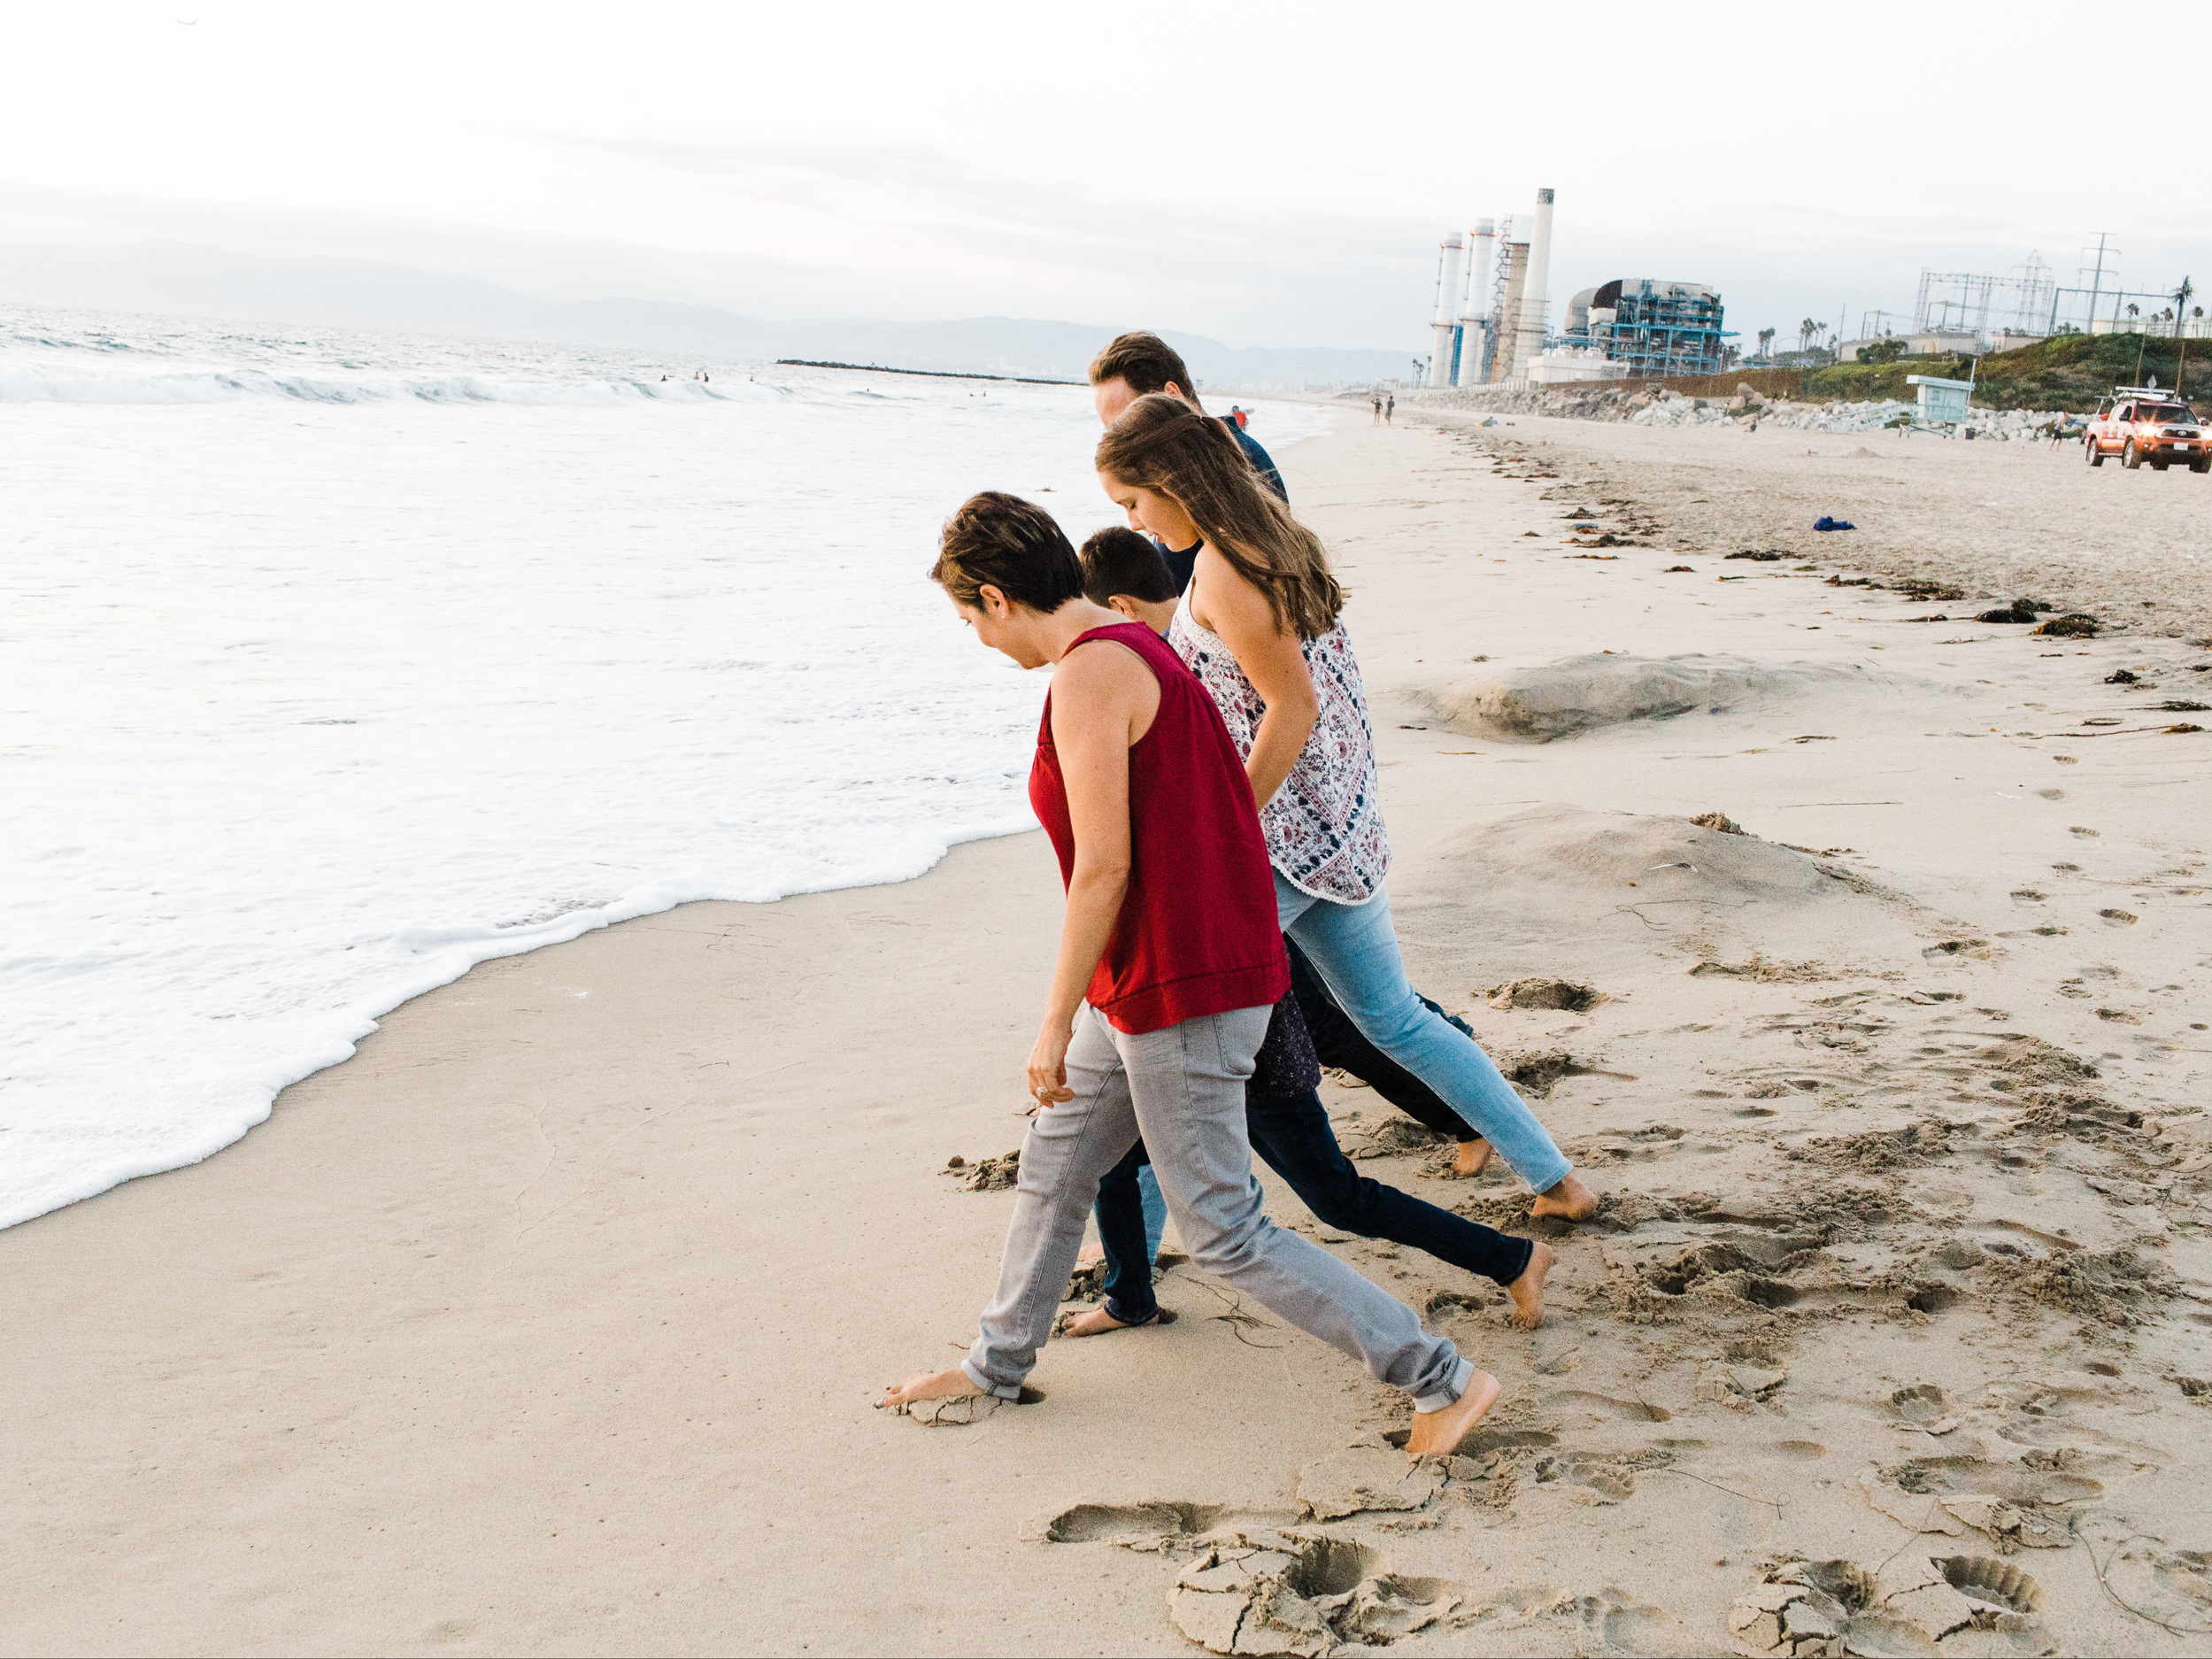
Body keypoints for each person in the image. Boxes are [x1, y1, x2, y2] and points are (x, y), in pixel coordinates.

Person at [881, 494, 1502, 1456]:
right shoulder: (1133, 641)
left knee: (1224, 1230)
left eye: (969, 619)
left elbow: (1105, 863)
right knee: (1055, 1165)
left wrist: (1049, 1020)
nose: (977, 639)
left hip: (1186, 983)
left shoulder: (1090, 676)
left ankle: (1441, 1375)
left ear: (998, 598)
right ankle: (995, 1364)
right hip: (1146, 974)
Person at [1095, 395, 1600, 1225]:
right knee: (1395, 1022)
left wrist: (1224, 827)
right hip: (1336, 826)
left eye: (1134, 503)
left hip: (1278, 842)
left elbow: (1292, 708)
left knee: (1174, 1028)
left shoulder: (1225, 568)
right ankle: (1556, 1180)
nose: (1137, 524)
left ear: (1174, 483)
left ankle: (1139, 1258)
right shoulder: (1272, 538)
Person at [1066, 529, 1550, 1339]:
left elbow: (1133, 862)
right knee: (1119, 1154)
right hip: (1177, 993)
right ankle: (1130, 1295)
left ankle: (1509, 1258)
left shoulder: (1181, 691)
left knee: (1333, 1189)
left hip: (1240, 1016)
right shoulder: (1146, 688)